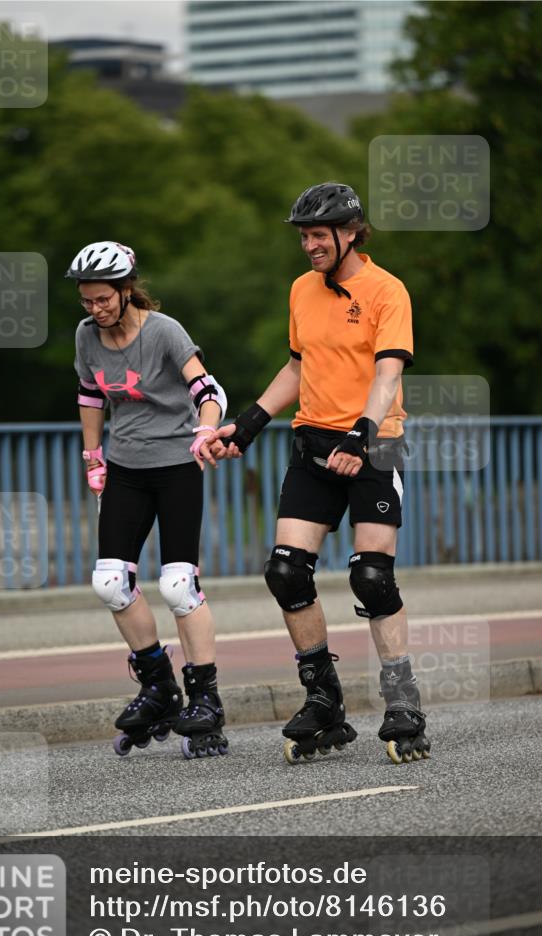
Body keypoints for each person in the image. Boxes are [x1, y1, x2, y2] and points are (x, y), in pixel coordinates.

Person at [206, 183, 431, 765]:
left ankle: (402, 702)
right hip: (312, 446)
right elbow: (297, 365)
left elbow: (386, 376)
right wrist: (248, 424)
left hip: (373, 446)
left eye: (318, 235)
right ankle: (324, 700)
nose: (308, 245)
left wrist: (361, 435)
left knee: (372, 577)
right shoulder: (302, 290)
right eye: (303, 235)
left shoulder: (387, 291)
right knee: (285, 572)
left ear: (351, 232)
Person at [67, 240, 229, 759]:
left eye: (103, 299)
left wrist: (205, 433)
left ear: (125, 288)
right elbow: (90, 394)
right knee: (110, 582)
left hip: (178, 466)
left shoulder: (163, 331)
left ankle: (206, 697)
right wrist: (94, 456)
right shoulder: (86, 337)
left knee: (179, 585)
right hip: (127, 469)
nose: (95, 309)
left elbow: (208, 391)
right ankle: (158, 685)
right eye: (87, 300)